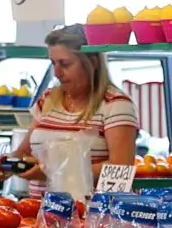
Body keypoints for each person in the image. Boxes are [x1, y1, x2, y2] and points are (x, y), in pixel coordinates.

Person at [13, 24, 138, 196]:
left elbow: (121, 172)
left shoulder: (115, 105)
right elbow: (23, 152)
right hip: (39, 214)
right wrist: (5, 165)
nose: (57, 72)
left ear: (92, 62)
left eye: (65, 64)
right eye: (53, 63)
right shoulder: (48, 99)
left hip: (90, 215)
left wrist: (54, 173)